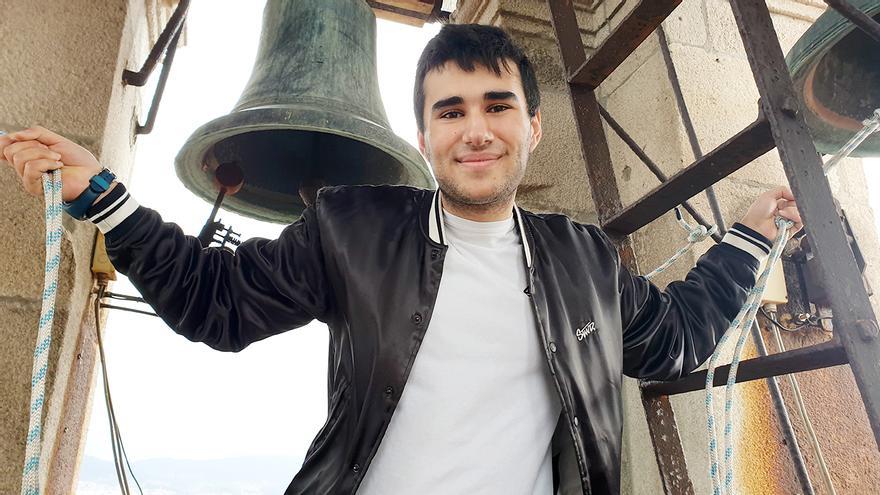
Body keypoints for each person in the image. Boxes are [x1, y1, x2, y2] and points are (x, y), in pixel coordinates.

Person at [2, 23, 801, 495]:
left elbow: (678, 338)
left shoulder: (585, 259)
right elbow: (216, 302)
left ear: (533, 129)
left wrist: (751, 236)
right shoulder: (351, 228)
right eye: (449, 111)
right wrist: (103, 195)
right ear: (424, 137)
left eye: (498, 107)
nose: (475, 130)